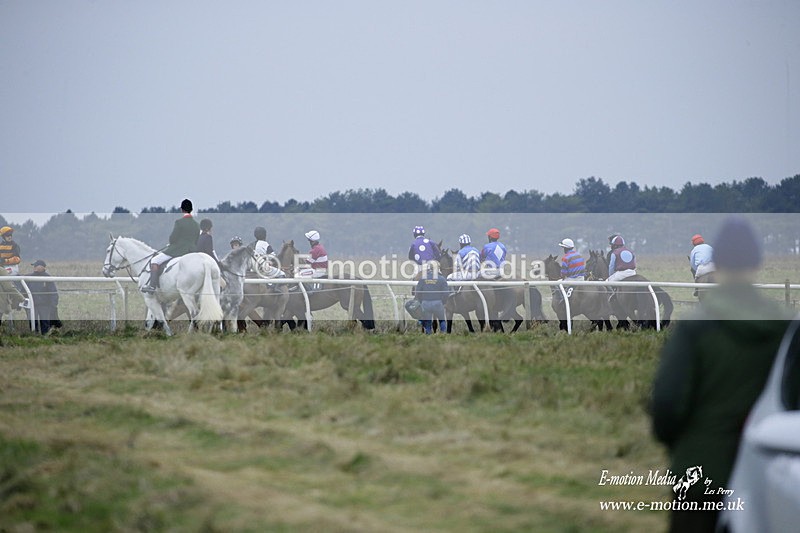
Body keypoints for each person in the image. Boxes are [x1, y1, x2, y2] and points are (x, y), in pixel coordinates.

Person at [651, 216, 791, 533]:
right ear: (757, 262)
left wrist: (681, 445)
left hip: (701, 475)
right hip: (770, 479)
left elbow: (667, 406)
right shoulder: (787, 328)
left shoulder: (694, 327)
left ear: (721, 261)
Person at [142, 199, 201, 293]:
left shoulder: (179, 222)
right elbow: (196, 240)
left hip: (177, 250)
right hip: (192, 251)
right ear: (191, 209)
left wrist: (173, 243)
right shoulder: (197, 225)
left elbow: (173, 238)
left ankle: (152, 286)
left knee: (155, 261)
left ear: (182, 210)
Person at [414, 261, 448, 334]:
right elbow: (446, 293)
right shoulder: (442, 279)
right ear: (438, 268)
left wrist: (421, 301)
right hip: (438, 303)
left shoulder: (423, 278)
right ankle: (444, 335)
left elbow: (418, 292)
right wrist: (443, 302)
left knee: (428, 323)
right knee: (442, 320)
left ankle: (428, 338)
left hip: (425, 303)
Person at [27, 260, 59, 334]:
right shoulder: (29, 277)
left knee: (45, 323)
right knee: (33, 322)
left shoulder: (48, 278)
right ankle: (34, 336)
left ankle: (45, 337)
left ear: (42, 267)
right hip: (33, 305)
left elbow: (53, 292)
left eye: (36, 266)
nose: (34, 268)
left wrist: (53, 304)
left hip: (45, 305)